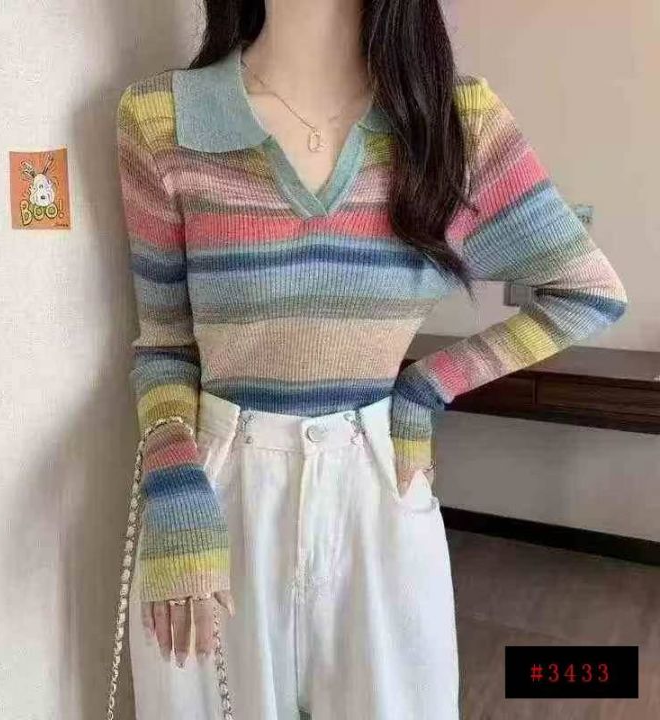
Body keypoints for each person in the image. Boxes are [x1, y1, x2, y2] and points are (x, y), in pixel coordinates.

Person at [114, 1, 628, 718]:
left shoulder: (455, 123)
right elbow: (166, 343)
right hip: (214, 496)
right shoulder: (163, 118)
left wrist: (425, 390)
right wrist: (174, 485)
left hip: (376, 486)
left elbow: (588, 292)